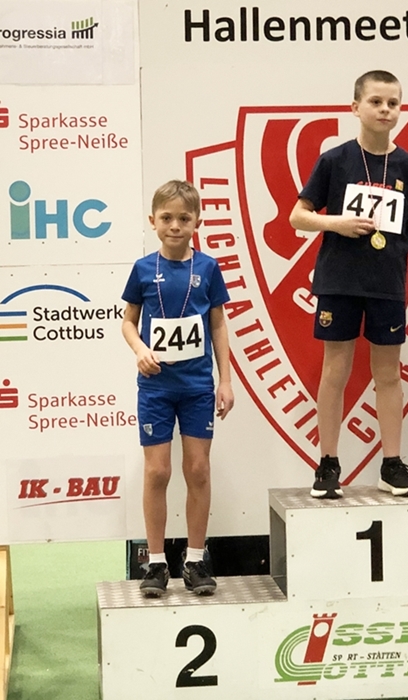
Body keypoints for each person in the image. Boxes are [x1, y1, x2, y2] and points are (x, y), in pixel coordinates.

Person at [289, 69, 408, 499]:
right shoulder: (335, 160)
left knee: (388, 373)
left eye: (393, 103)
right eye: (375, 101)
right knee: (335, 371)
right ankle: (327, 463)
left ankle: (391, 464)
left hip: (386, 284)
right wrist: (337, 223)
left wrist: (388, 246)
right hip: (339, 282)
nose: (385, 109)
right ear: (355, 107)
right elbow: (298, 216)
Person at [122, 180, 234, 597]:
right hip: (155, 387)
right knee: (157, 472)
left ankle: (195, 559)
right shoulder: (142, 269)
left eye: (183, 218)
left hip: (197, 387)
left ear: (197, 222)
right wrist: (140, 350)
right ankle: (155, 562)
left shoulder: (208, 268)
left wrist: (225, 380)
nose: (174, 226)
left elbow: (218, 324)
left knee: (198, 469)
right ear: (153, 221)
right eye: (166, 218)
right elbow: (128, 322)